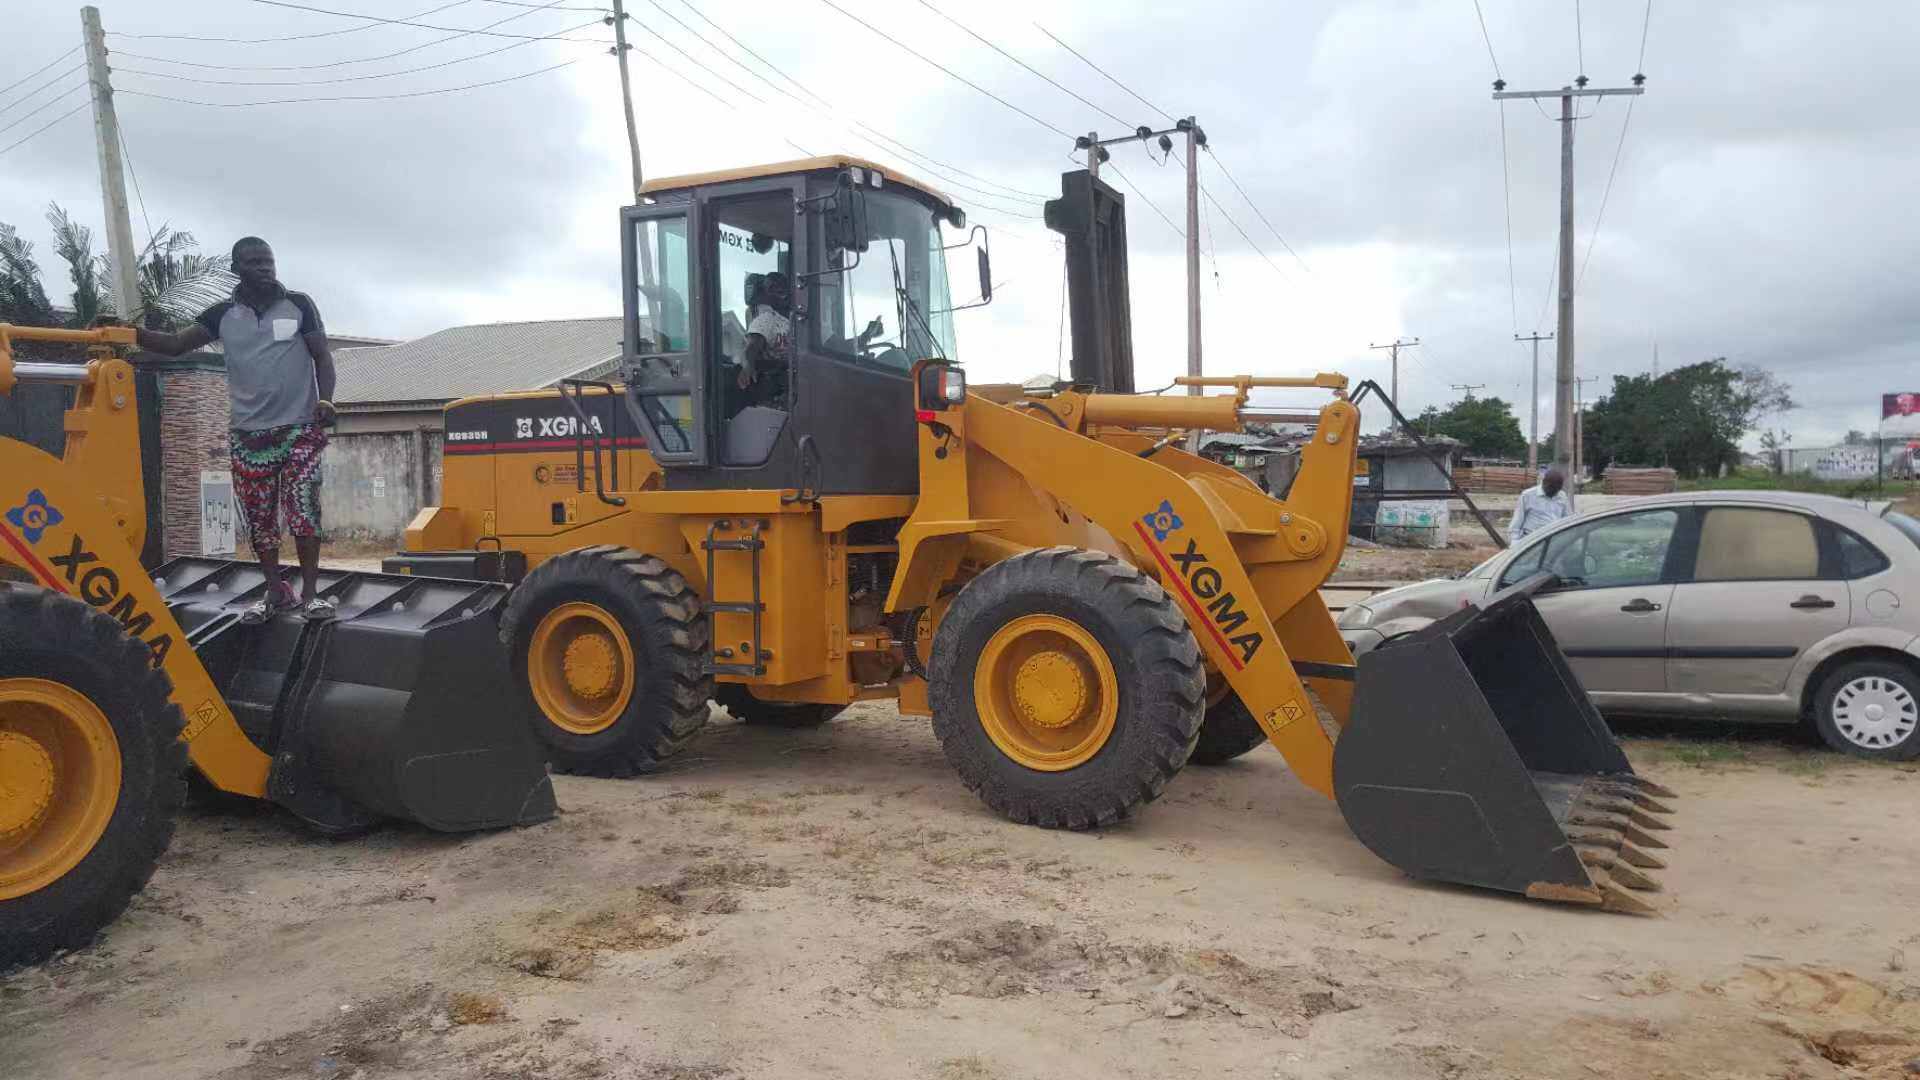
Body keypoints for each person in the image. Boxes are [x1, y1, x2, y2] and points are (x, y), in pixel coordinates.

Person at [136, 237, 338, 623]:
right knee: (259, 518)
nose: (265, 268)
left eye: (269, 261)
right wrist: (131, 334)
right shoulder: (221, 315)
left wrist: (326, 400)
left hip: (301, 427)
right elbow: (177, 344)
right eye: (255, 262)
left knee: (304, 509)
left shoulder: (299, 305)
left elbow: (322, 357)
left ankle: (312, 595)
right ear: (237, 269)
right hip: (249, 434)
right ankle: (276, 591)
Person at [737, 270, 794, 408]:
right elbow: (751, 348)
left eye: (781, 288)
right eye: (772, 288)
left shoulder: (795, 321)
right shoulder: (767, 319)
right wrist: (748, 366)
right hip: (777, 392)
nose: (780, 292)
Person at [1510, 466, 1572, 542]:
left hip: (1555, 540)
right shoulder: (1528, 495)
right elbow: (1517, 522)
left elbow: (1568, 519)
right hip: (1532, 540)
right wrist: (1515, 543)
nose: (1554, 492)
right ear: (1544, 483)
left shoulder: (1562, 496)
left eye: (1557, 489)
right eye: (1551, 488)